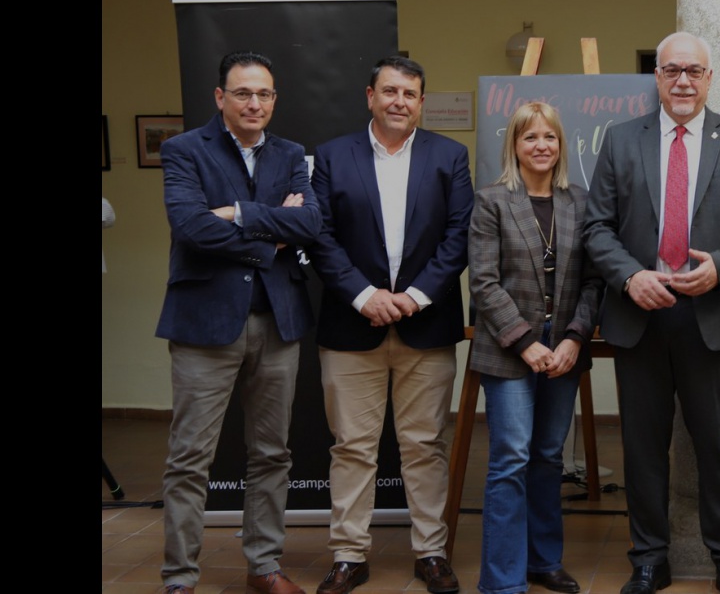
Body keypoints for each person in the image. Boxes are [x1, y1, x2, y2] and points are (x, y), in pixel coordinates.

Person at [583, 32, 720, 594]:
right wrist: (630, 276)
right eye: (672, 70)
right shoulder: (621, 141)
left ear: (710, 78)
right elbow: (596, 226)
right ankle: (649, 558)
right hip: (638, 317)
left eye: (694, 71)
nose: (683, 81)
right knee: (644, 449)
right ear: (657, 77)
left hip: (710, 316)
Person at [307, 55, 473, 594]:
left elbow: (458, 237)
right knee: (352, 446)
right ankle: (350, 554)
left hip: (426, 326)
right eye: (390, 91)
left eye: (410, 94)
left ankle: (431, 551)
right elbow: (321, 236)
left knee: (424, 446)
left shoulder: (450, 156)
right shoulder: (332, 157)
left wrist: (416, 297)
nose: (400, 101)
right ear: (370, 96)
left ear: (422, 102)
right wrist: (364, 295)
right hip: (351, 326)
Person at [156, 51, 320, 594]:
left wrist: (239, 213)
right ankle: (179, 578)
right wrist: (273, 233)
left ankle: (264, 568)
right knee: (189, 459)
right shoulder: (183, 150)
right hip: (204, 323)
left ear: (275, 99)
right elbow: (191, 228)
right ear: (220, 97)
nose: (255, 103)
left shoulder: (292, 153)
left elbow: (311, 223)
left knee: (273, 453)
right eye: (244, 93)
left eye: (265, 94)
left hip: (277, 323)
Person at [468, 101, 603, 594]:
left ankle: (544, 561)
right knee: (510, 458)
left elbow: (594, 281)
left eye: (549, 137)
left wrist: (573, 337)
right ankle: (502, 580)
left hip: (564, 348)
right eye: (530, 138)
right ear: (515, 146)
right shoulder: (491, 202)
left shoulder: (581, 203)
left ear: (561, 145)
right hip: (509, 349)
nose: (541, 145)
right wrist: (525, 342)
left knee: (548, 456)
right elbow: (482, 284)